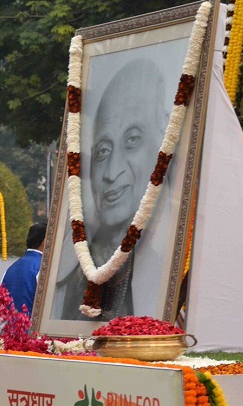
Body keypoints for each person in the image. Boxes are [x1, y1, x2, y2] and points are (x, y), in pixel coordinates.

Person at [52, 58, 169, 321]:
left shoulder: (168, 264)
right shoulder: (68, 277)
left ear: (163, 137)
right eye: (103, 150)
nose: (111, 172)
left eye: (132, 140)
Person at [1, 222, 47, 316]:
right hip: (34, 328)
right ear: (45, 241)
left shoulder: (10, 269)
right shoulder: (44, 268)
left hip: (10, 329)